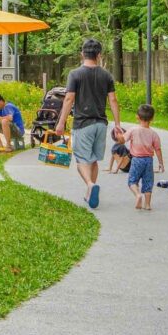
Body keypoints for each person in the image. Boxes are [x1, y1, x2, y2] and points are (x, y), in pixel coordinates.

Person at [54, 38, 122, 209]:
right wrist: (118, 124)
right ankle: (89, 192)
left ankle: (90, 185)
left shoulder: (75, 74)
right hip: (101, 124)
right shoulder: (106, 75)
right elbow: (113, 100)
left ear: (82, 54)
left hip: (83, 124)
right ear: (99, 55)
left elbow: (69, 98)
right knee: (93, 160)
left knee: (81, 160)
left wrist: (61, 123)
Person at [125, 104, 164, 211]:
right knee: (148, 182)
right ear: (152, 118)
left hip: (137, 160)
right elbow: (158, 149)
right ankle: (147, 205)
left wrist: (118, 136)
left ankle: (137, 195)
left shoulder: (133, 130)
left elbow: (123, 140)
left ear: (137, 117)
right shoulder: (154, 134)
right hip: (149, 161)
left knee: (132, 181)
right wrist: (161, 163)